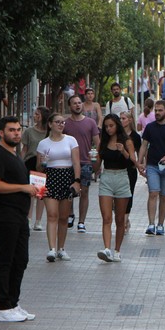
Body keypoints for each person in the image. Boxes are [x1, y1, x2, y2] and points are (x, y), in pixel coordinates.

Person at [0, 116, 38, 322]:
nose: (16, 133)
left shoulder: (14, 154)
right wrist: (23, 187)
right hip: (3, 215)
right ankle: (3, 307)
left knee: (20, 259)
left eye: (18, 130)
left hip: (19, 215)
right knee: (5, 259)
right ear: (1, 132)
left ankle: (13, 303)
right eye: (11, 130)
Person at [93, 114, 138, 263]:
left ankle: (117, 250)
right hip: (106, 177)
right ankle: (107, 249)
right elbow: (97, 166)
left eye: (111, 125)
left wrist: (123, 151)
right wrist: (93, 159)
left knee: (120, 218)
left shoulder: (127, 141)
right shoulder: (103, 142)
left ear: (117, 125)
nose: (108, 129)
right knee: (106, 217)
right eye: (106, 126)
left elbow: (133, 162)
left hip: (122, 177)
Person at [36, 113, 81, 262]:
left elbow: (76, 162)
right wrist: (42, 162)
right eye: (57, 122)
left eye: (62, 122)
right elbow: (38, 168)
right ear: (50, 124)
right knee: (52, 214)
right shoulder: (43, 144)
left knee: (63, 217)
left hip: (67, 177)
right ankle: (52, 249)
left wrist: (77, 181)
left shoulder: (71, 140)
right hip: (50, 178)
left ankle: (61, 248)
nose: (61, 125)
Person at [138, 100, 165, 236]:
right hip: (152, 165)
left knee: (164, 196)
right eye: (155, 110)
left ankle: (160, 224)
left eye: (160, 110)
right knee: (153, 193)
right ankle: (151, 224)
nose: (157, 113)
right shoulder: (150, 127)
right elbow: (144, 145)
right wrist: (140, 162)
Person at [64, 96, 100, 233]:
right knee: (69, 190)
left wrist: (97, 162)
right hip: (68, 163)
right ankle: (70, 214)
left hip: (85, 162)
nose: (77, 105)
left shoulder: (91, 123)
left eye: (79, 103)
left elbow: (98, 143)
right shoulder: (65, 124)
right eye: (74, 103)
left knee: (84, 191)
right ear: (70, 106)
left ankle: (81, 222)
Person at [21, 106, 50, 231]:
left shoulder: (49, 132)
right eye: (35, 114)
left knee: (41, 193)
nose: (35, 116)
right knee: (30, 192)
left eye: (38, 114)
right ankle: (28, 219)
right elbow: (25, 149)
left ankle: (38, 221)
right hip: (30, 162)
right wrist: (20, 163)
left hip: (44, 164)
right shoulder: (29, 132)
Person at [120, 111, 141, 235]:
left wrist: (140, 164)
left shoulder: (135, 136)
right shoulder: (117, 135)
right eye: (120, 118)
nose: (121, 120)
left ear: (130, 120)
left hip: (130, 169)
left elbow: (139, 152)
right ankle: (121, 217)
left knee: (129, 194)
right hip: (118, 169)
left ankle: (125, 219)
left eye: (123, 118)